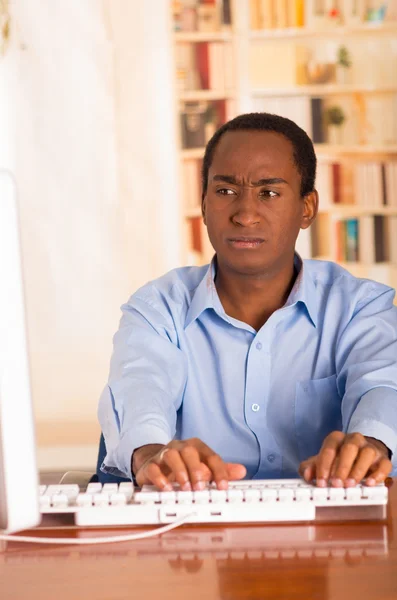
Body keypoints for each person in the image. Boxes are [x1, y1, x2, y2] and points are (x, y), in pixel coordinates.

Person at [98, 112, 397, 492]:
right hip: (194, 534)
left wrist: (370, 443)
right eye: (225, 192)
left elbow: (383, 386)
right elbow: (141, 386)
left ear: (307, 208)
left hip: (332, 531)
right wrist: (150, 453)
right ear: (204, 204)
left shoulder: (359, 307)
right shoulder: (158, 309)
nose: (245, 214)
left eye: (269, 193)